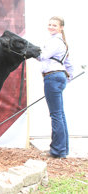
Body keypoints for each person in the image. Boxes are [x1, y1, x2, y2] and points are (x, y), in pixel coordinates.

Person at [37, 16, 74, 159]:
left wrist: (31, 51)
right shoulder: (63, 43)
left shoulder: (54, 42)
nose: (51, 27)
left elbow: (42, 56)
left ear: (61, 27)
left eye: (54, 25)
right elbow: (70, 65)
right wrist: (66, 79)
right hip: (58, 78)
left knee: (56, 115)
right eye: (50, 24)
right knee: (60, 114)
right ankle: (62, 149)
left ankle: (57, 151)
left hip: (52, 78)